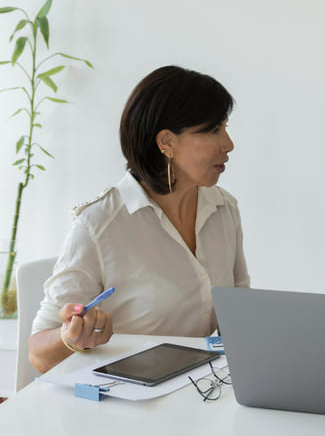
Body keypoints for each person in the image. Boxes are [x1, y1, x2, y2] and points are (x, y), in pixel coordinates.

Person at [29, 65, 250, 373]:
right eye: (213, 130)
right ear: (167, 142)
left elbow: (239, 322)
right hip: (123, 405)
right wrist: (72, 338)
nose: (228, 144)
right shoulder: (99, 225)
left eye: (225, 127)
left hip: (199, 392)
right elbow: (38, 355)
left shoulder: (224, 210)